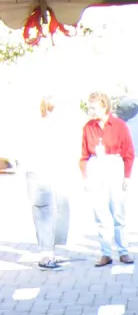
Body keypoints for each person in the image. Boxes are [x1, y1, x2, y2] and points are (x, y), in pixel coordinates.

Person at [80, 91, 135, 267]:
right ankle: (105, 252)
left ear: (104, 106)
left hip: (114, 164)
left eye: (94, 107)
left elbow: (128, 152)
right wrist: (86, 176)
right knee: (100, 211)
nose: (91, 111)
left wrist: (127, 175)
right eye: (90, 107)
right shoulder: (88, 127)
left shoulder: (119, 125)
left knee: (118, 210)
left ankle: (123, 250)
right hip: (97, 165)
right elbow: (83, 155)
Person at [25, 96, 71, 270]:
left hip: (52, 174)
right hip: (40, 175)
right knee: (44, 213)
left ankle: (50, 251)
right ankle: (45, 255)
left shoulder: (54, 127)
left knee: (58, 211)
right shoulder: (39, 127)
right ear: (51, 109)